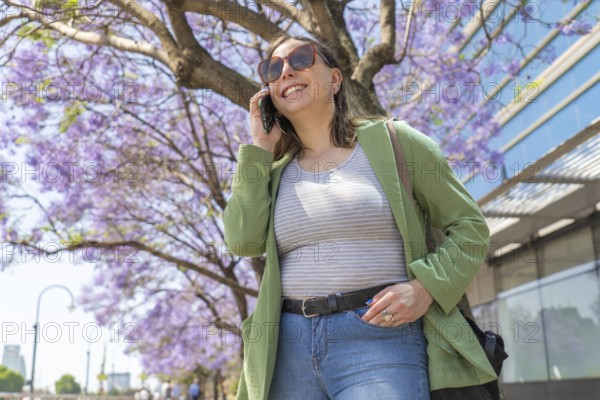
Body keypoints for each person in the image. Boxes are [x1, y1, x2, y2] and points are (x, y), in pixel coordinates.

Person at [223, 34, 497, 400]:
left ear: (335, 79)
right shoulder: (273, 171)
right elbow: (242, 240)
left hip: (379, 338)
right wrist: (259, 148)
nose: (285, 71)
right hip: (288, 348)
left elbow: (470, 228)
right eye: (273, 68)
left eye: (301, 59)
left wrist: (425, 288)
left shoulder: (396, 141)